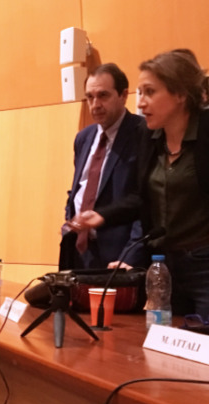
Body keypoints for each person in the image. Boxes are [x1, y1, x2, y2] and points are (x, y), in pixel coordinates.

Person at [70, 49, 209, 326]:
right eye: (139, 93)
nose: (140, 104)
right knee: (167, 355)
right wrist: (104, 215)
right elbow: (143, 199)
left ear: (179, 94)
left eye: (150, 92)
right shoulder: (149, 136)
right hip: (164, 269)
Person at [60, 62, 148, 271]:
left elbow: (147, 201)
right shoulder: (83, 138)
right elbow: (80, 187)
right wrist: (69, 219)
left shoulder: (144, 133)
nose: (95, 104)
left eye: (103, 95)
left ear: (123, 95)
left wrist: (132, 255)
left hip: (120, 256)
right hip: (79, 250)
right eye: (90, 97)